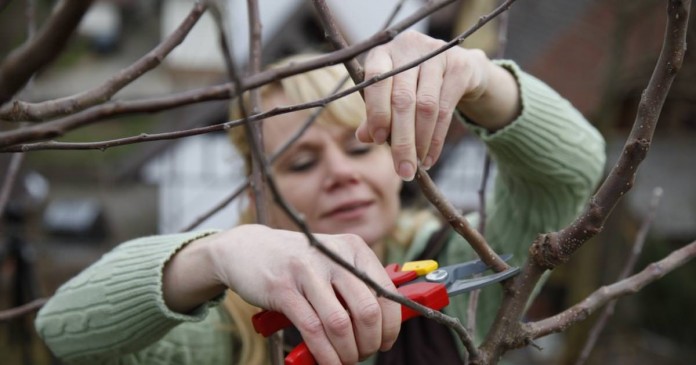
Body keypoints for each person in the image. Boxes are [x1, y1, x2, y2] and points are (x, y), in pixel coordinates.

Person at [34, 30, 606, 365]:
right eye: (303, 162)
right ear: (259, 188)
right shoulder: (224, 332)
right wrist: (213, 256)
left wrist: (481, 79)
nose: (339, 174)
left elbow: (571, 173)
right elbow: (61, 331)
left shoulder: (463, 276)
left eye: (360, 149)